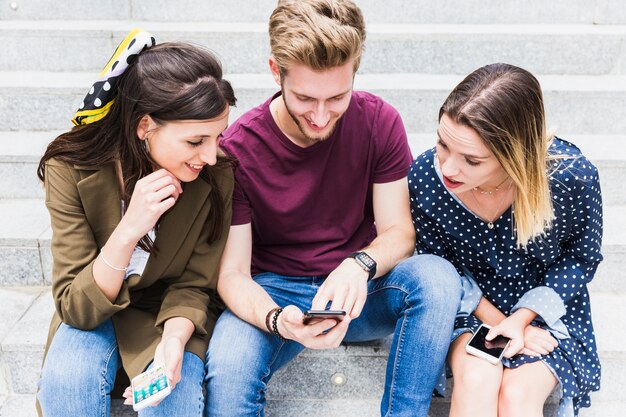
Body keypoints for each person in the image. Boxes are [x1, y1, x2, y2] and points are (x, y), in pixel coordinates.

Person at [204, 1, 462, 416]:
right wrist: (275, 320)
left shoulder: (379, 122)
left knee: (437, 278)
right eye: (305, 98)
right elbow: (231, 274)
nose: (322, 116)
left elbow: (399, 231)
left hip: (361, 290)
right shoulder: (237, 149)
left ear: (355, 69)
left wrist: (358, 265)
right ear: (275, 71)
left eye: (337, 97)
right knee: (229, 372)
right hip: (274, 291)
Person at [36, 29, 236, 417]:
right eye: (196, 142)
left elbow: (195, 285)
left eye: (218, 136)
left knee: (174, 401)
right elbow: (77, 307)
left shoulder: (218, 176)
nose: (211, 156)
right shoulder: (70, 169)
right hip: (93, 312)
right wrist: (130, 229)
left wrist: (175, 344)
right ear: (145, 126)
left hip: (166, 317)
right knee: (66, 385)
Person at [408, 63, 602, 417]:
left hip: (547, 307)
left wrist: (524, 319)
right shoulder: (426, 178)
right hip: (469, 306)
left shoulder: (570, 177)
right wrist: (503, 322)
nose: (449, 168)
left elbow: (581, 258)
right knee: (478, 377)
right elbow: (439, 269)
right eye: (442, 144)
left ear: (514, 154)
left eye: (472, 160)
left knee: (516, 396)